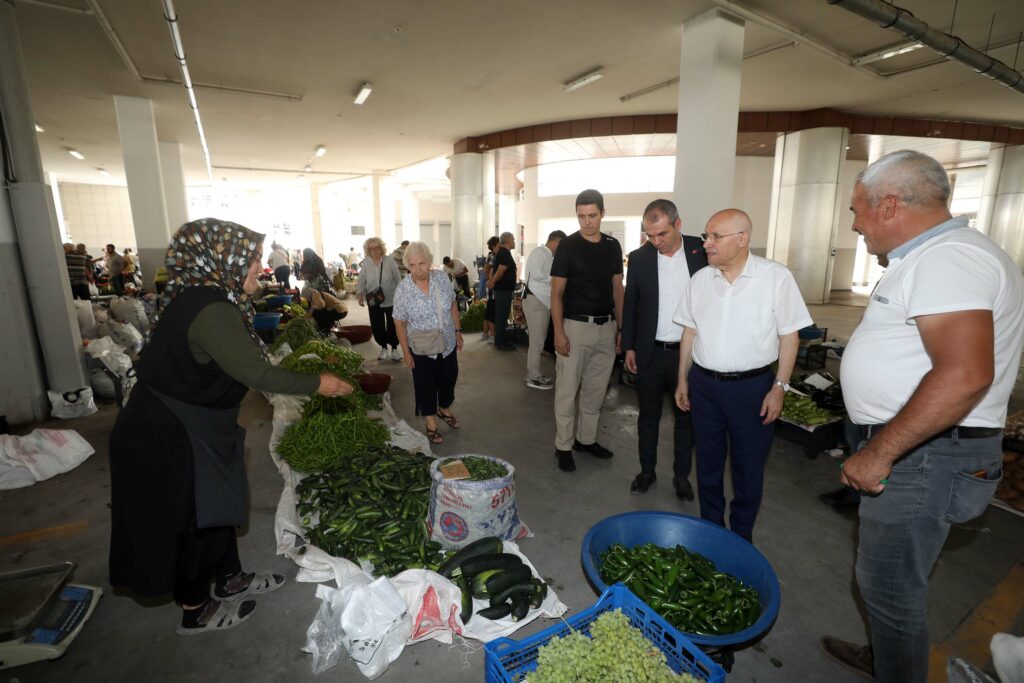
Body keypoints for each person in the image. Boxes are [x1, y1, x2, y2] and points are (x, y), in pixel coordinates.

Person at [819, 150, 1024, 683]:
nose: (854, 223)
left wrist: (879, 452)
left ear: (889, 205)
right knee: (898, 579)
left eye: (857, 209)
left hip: (923, 457)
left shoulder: (949, 259)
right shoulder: (931, 257)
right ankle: (885, 654)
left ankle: (895, 667)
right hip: (925, 452)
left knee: (888, 587)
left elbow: (963, 375)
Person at [108, 218, 354, 636]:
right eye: (252, 259)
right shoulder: (210, 309)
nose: (260, 266)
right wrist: (320, 384)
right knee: (190, 517)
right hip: (170, 432)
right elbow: (258, 375)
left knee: (219, 503)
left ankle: (227, 577)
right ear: (223, 259)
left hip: (200, 422)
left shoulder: (214, 297)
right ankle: (195, 606)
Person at [673, 208, 811, 543]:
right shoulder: (700, 280)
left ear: (743, 239)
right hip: (704, 386)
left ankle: (740, 537)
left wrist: (779, 387)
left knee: (748, 469)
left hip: (752, 389)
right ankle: (711, 530)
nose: (706, 243)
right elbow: (689, 333)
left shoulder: (776, 278)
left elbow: (790, 336)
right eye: (706, 236)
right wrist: (682, 379)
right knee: (707, 464)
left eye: (715, 236)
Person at [622, 199, 707, 500]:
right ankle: (647, 471)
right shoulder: (640, 258)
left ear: (678, 224)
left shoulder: (701, 251)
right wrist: (628, 345)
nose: (655, 241)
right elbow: (631, 303)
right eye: (650, 235)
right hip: (650, 353)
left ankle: (682, 477)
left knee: (686, 419)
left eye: (662, 234)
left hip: (691, 356)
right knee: (648, 417)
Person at [550, 189, 624, 472]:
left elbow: (618, 289)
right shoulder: (568, 246)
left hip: (607, 328)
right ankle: (563, 446)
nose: (587, 222)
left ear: (602, 213)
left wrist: (621, 330)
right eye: (581, 216)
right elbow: (557, 293)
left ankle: (586, 439)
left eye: (592, 215)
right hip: (575, 328)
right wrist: (558, 332)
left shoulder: (612, 246)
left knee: (595, 392)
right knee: (567, 391)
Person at [392, 242, 463, 445]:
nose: (417, 270)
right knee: (425, 385)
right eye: (412, 265)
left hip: (447, 341)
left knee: (449, 377)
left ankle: (445, 408)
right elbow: (399, 324)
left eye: (421, 264)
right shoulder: (403, 290)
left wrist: (458, 331)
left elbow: (452, 305)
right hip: (422, 348)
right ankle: (431, 422)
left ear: (429, 261)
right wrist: (406, 352)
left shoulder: (441, 278)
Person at [522, 230, 565, 390]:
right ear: (555, 242)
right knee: (537, 342)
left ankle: (534, 374)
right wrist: (558, 276)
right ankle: (533, 377)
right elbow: (538, 274)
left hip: (541, 302)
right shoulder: (540, 253)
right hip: (536, 301)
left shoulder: (547, 255)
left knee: (538, 340)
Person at [357, 237, 402, 361]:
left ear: (381, 248)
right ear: (368, 250)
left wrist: (402, 294)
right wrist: (360, 293)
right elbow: (361, 279)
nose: (375, 250)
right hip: (374, 299)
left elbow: (398, 278)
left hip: (391, 298)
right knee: (377, 324)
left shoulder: (390, 260)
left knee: (393, 324)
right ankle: (383, 348)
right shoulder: (366, 263)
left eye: (377, 248)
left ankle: (394, 349)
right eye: (372, 248)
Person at [488, 232, 518, 351]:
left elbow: (496, 270)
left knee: (501, 316)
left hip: (503, 290)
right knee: (502, 316)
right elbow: (500, 271)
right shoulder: (505, 253)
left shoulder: (502, 253)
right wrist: (493, 282)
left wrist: (492, 281)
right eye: (513, 239)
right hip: (503, 291)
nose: (514, 241)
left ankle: (500, 341)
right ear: (508, 240)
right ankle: (501, 343)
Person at [481, 236, 500, 341]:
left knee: (489, 311)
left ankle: (485, 334)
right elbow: (487, 270)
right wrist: (492, 281)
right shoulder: (493, 256)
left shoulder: (493, 256)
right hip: (492, 289)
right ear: (494, 245)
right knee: (491, 312)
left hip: (491, 288)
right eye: (499, 244)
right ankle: (492, 335)